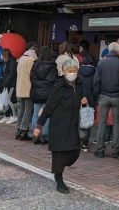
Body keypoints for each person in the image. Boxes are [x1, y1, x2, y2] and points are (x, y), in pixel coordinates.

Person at [34, 58, 86, 194]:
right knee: (59, 154)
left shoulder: (79, 84)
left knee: (75, 151)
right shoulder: (58, 86)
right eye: (69, 71)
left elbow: (82, 100)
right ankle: (59, 179)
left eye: (74, 71)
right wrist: (39, 125)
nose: (72, 73)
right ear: (63, 72)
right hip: (59, 124)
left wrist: (85, 102)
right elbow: (49, 106)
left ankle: (61, 167)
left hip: (73, 123)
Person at [94, 41, 119, 158]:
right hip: (118, 96)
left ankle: (100, 149)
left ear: (109, 50)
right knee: (117, 123)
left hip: (103, 96)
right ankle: (115, 149)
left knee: (102, 123)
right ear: (118, 51)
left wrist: (98, 94)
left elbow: (96, 82)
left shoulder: (101, 63)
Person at [30, 46, 58, 144]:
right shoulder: (53, 66)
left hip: (36, 92)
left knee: (35, 113)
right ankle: (44, 135)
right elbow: (53, 80)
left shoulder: (35, 64)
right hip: (48, 93)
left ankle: (35, 134)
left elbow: (31, 78)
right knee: (46, 114)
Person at [15, 42, 38, 140]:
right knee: (28, 110)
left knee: (22, 109)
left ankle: (18, 128)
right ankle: (23, 130)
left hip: (20, 87)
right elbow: (33, 75)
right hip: (28, 88)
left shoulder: (21, 59)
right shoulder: (32, 60)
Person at [77, 52, 97, 151]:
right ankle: (85, 142)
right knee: (87, 120)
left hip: (79, 97)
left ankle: (77, 140)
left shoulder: (78, 71)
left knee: (78, 118)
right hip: (90, 98)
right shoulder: (95, 72)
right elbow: (96, 87)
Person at [0, 48, 18, 124]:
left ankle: (14, 116)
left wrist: (5, 83)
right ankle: (6, 116)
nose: (1, 57)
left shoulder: (12, 62)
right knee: (5, 100)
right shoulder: (6, 62)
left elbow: (11, 74)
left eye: (2, 55)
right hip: (5, 84)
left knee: (9, 100)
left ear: (5, 55)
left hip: (10, 84)